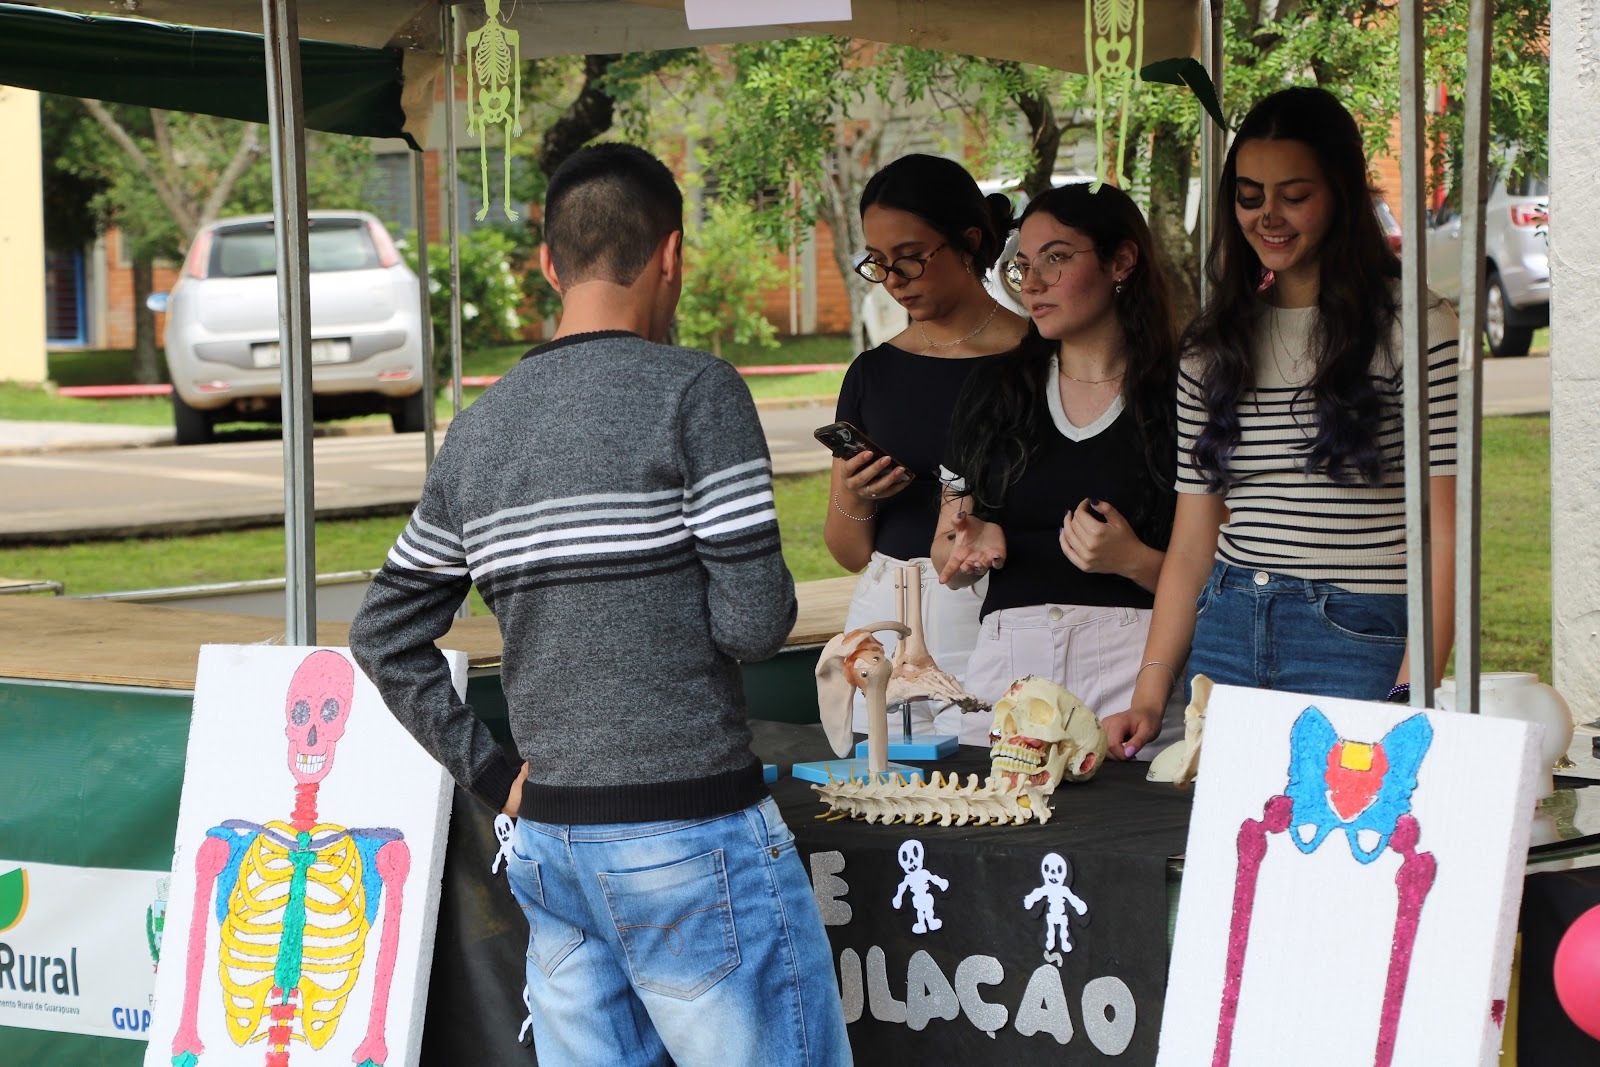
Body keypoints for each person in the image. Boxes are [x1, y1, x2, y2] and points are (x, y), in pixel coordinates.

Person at [348, 143, 850, 1066]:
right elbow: (753, 623)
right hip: (691, 838)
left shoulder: (480, 430)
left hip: (549, 844)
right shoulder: (698, 391)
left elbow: (382, 633)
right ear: (671, 257)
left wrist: (494, 775)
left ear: (549, 265)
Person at [1112, 86, 1459, 758]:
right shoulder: (1209, 347)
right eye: (1249, 195)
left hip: (1357, 635)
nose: (1268, 215)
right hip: (1227, 632)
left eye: (1293, 195)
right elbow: (1191, 540)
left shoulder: (1415, 325)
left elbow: (1442, 535)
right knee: (1232, 855)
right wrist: (1150, 694)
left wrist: (1413, 691)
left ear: (1342, 193)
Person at [933, 182, 1182, 749]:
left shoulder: (1183, 393)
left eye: (1058, 258)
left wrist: (1135, 562)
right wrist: (969, 545)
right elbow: (945, 548)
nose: (1035, 283)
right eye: (1024, 266)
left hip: (1136, 669)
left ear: (1123, 260)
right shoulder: (992, 390)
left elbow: (1219, 577)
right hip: (1009, 669)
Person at [826, 153, 1030, 734]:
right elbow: (848, 551)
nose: (893, 279)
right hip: (883, 617)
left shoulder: (1035, 361)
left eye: (911, 258)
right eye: (879, 262)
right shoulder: (873, 373)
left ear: (967, 242)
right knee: (878, 796)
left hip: (989, 610)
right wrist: (857, 497)